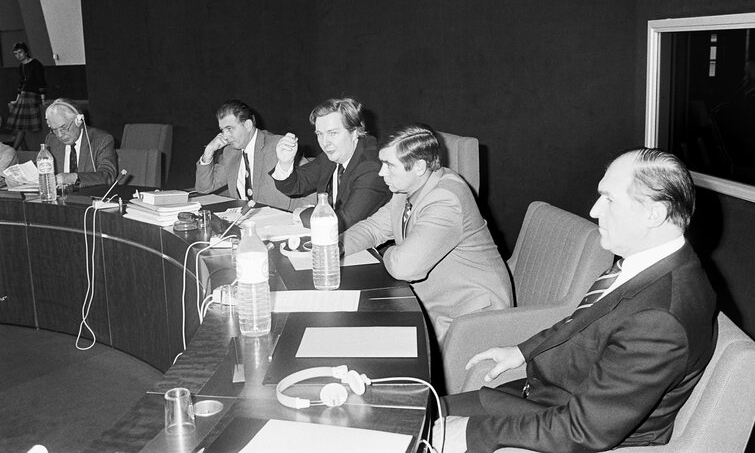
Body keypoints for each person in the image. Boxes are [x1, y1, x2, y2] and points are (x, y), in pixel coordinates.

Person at [435, 147, 717, 453]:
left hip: (561, 427)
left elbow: (584, 430)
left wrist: (471, 432)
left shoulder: (660, 319)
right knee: (407, 415)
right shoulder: (649, 262)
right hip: (542, 401)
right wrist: (522, 351)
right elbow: (581, 322)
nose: (595, 210)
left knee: (403, 432)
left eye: (609, 199)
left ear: (654, 213)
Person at [340, 124, 512, 345]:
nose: (381, 172)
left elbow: (405, 267)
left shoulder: (446, 199)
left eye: (389, 166)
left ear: (419, 167)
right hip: (435, 299)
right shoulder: (406, 189)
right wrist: (335, 246)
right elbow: (373, 228)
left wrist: (388, 252)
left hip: (470, 314)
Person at [271, 97, 390, 231]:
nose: (325, 142)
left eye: (333, 133)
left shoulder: (371, 167)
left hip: (366, 249)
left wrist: (300, 213)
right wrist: (285, 162)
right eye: (319, 134)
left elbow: (344, 222)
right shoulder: (332, 157)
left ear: (355, 132)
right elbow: (296, 185)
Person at [195, 100, 310, 211]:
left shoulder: (277, 146)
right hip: (246, 220)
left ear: (248, 125)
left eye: (229, 129)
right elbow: (204, 188)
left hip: (280, 221)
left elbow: (311, 182)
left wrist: (301, 216)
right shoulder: (230, 152)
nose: (225, 136)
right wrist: (209, 152)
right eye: (222, 130)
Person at [45, 99, 118, 188]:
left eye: (63, 128)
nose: (60, 135)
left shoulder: (102, 140)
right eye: (55, 130)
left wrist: (73, 178)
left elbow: (108, 176)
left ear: (78, 121)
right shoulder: (51, 140)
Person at [7, 42, 46, 150]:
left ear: (26, 52)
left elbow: (41, 82)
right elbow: (21, 85)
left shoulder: (36, 64)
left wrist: (43, 99)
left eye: (20, 52)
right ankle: (15, 148)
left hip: (32, 96)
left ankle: (14, 148)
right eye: (15, 53)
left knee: (20, 126)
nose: (18, 55)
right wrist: (16, 100)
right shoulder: (21, 66)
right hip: (24, 97)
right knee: (19, 125)